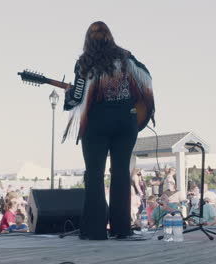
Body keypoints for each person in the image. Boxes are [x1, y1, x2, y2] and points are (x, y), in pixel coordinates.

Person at [62, 21, 154, 240]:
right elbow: (146, 79)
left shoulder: (85, 62)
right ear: (110, 36)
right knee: (121, 173)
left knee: (94, 175)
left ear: (88, 39)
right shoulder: (126, 57)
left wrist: (69, 96)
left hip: (97, 123)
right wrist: (138, 104)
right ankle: (122, 229)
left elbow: (77, 96)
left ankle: (95, 230)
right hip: (126, 121)